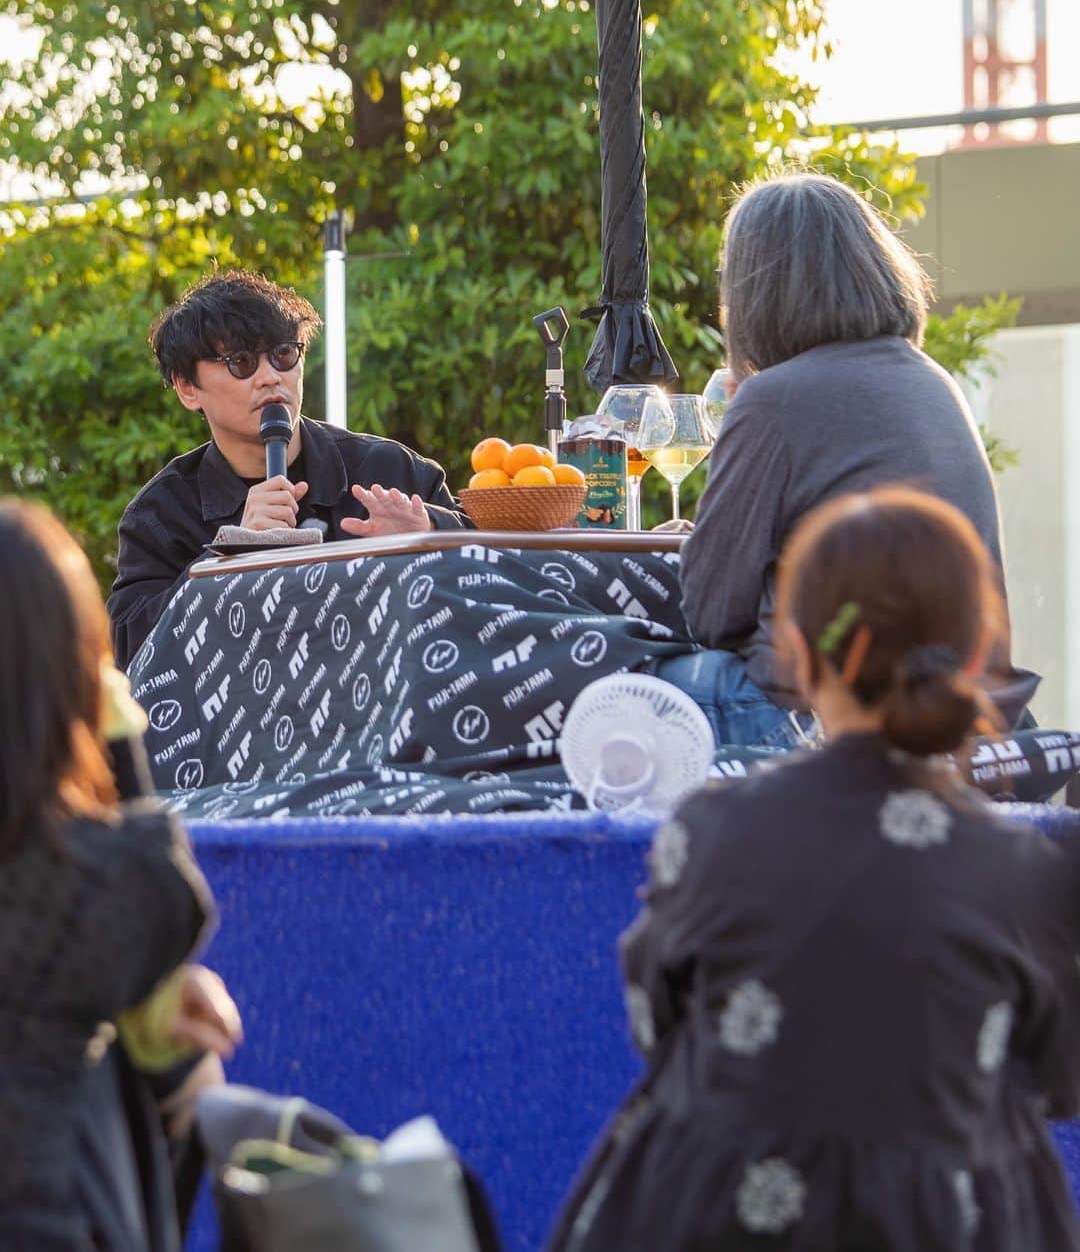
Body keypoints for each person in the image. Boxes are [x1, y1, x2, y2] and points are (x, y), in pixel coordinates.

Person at [549, 487, 1080, 1252]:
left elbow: (654, 1021)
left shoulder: (712, 832)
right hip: (951, 1219)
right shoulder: (1026, 873)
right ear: (977, 657)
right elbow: (1060, 1076)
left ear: (796, 650)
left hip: (716, 1215)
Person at [660, 171, 1037, 747]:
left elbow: (711, 613)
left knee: (625, 678)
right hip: (973, 708)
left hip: (821, 713)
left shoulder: (774, 399)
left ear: (755, 292)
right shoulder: (934, 382)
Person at [0, 499, 239, 1250]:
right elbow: (160, 880)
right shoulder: (75, 878)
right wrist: (112, 718)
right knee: (170, 1066)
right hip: (46, 1220)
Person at [107, 269, 470, 666]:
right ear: (187, 387)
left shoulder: (387, 469)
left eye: (283, 355)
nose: (269, 378)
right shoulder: (162, 514)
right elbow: (129, 651)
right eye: (241, 362)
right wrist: (226, 559)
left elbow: (495, 573)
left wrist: (431, 534)